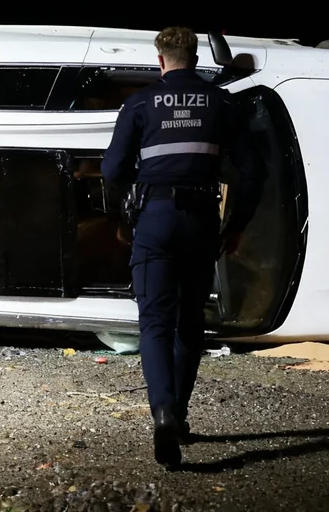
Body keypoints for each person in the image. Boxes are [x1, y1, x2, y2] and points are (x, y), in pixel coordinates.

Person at [101, 25, 265, 469]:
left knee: (155, 321)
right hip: (200, 221)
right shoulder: (222, 103)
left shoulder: (139, 103)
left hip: (155, 220)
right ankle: (180, 414)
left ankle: (162, 413)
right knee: (189, 322)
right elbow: (253, 171)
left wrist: (129, 207)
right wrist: (236, 225)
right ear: (194, 58)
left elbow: (112, 167)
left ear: (160, 60)